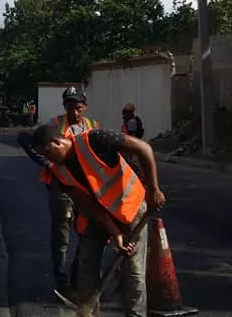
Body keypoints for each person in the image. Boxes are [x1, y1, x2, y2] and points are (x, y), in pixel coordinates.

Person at [28, 123, 166, 317]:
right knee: (87, 260)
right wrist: (115, 233)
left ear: (57, 142)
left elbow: (144, 148)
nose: (48, 159)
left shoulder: (95, 139)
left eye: (48, 153)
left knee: (133, 268)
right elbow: (88, 207)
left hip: (130, 207)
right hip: (100, 216)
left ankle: (136, 315)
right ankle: (88, 311)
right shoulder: (59, 172)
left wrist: (153, 190)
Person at [17, 86, 100, 305]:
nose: (75, 112)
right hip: (61, 187)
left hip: (85, 187)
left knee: (86, 232)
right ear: (64, 106)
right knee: (62, 233)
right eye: (70, 107)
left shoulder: (92, 126)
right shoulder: (54, 125)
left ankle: (78, 281)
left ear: (85, 107)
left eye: (78, 108)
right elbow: (25, 138)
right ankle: (62, 282)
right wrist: (47, 163)